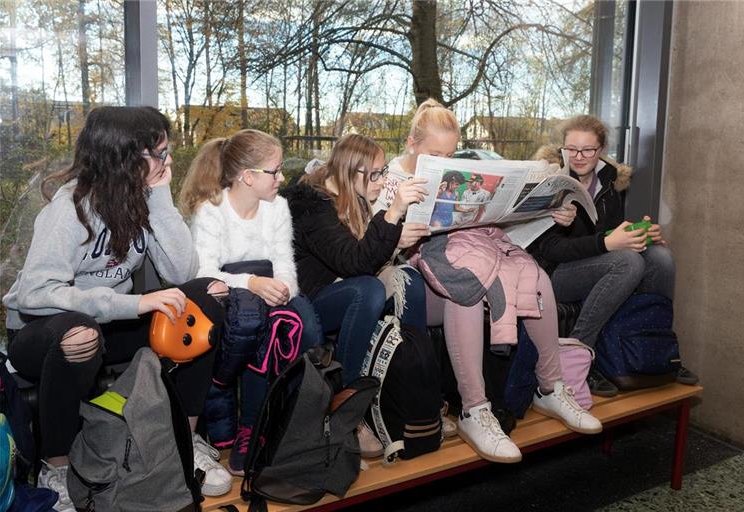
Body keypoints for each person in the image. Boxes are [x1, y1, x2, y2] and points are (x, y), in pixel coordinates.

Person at [2, 106, 233, 510]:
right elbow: (35, 293)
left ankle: (185, 439)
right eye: (159, 153)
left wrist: (160, 200)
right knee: (80, 332)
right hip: (40, 332)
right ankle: (54, 468)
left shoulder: (142, 201)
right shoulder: (69, 209)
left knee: (206, 297)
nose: (168, 161)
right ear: (126, 157)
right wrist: (133, 302)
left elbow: (182, 270)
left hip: (113, 320)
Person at [374, 99, 601, 463]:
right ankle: (474, 410)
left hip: (469, 257)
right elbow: (368, 253)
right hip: (415, 282)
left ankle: (552, 386)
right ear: (411, 142)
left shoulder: (460, 173)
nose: (443, 163)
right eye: (434, 154)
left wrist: (547, 213)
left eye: (450, 154)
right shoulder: (387, 182)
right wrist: (397, 236)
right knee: (464, 291)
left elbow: (498, 228)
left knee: (537, 277)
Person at [179, 128, 323, 476]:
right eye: (274, 171)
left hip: (270, 284)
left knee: (307, 332)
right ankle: (250, 428)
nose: (282, 177)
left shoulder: (278, 207)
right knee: (258, 323)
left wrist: (284, 289)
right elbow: (206, 273)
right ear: (247, 176)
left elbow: (285, 260)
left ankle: (282, 420)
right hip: (228, 292)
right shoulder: (211, 210)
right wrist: (253, 284)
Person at [282, 134, 431, 457]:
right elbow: (355, 263)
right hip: (312, 299)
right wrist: (392, 215)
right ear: (352, 172)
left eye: (383, 171)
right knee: (369, 290)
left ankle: (412, 395)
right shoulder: (312, 206)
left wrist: (394, 239)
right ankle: (348, 404)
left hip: (343, 284)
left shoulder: (354, 196)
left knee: (409, 279)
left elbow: (368, 257)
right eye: (376, 173)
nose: (383, 180)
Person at [528, 114, 696, 396]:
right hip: (553, 273)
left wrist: (638, 233)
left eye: (588, 150)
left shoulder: (608, 183)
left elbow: (609, 233)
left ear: (601, 150)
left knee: (660, 257)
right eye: (571, 149)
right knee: (627, 261)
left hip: (593, 265)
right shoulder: (550, 182)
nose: (579, 157)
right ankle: (579, 357)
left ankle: (655, 350)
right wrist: (608, 242)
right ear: (563, 149)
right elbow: (550, 250)